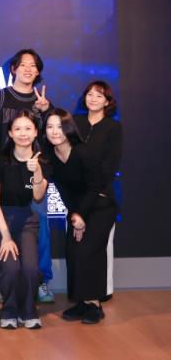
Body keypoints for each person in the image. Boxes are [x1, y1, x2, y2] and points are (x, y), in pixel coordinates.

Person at [0, 48, 55, 303]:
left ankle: (41, 281)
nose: (28, 69)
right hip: (4, 176)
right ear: (13, 68)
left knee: (40, 228)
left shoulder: (43, 103)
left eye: (33, 65)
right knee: (0, 229)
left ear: (38, 72)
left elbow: (54, 136)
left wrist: (46, 111)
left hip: (36, 173)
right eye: (23, 64)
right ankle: (5, 282)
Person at [44, 108, 116, 324]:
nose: (54, 131)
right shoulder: (51, 155)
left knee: (87, 252)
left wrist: (81, 215)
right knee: (73, 252)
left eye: (59, 126)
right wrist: (74, 216)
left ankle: (94, 304)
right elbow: (63, 189)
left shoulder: (83, 151)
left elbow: (95, 187)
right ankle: (82, 302)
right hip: (77, 209)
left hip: (99, 206)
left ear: (68, 128)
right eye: (49, 127)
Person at [0, 110, 49, 329]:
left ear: (36, 132)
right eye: (17, 129)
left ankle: (29, 310)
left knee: (30, 269)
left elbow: (38, 196)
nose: (23, 133)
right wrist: (6, 236)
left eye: (28, 128)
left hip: (26, 220)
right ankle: (9, 310)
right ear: (10, 133)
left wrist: (37, 171)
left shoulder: (42, 160)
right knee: (11, 268)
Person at [73, 81, 122, 302]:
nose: (93, 99)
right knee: (77, 249)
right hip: (77, 198)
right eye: (90, 94)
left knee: (98, 248)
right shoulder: (75, 123)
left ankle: (101, 294)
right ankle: (81, 297)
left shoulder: (113, 128)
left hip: (101, 198)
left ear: (107, 102)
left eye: (99, 96)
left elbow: (110, 165)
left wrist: (93, 192)